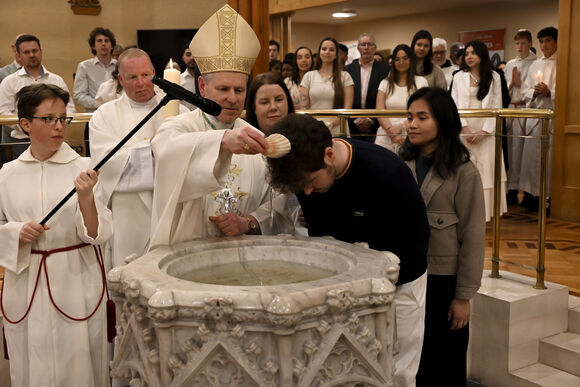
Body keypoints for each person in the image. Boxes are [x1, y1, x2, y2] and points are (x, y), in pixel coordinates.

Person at [266, 113, 429, 387]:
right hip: (347, 290)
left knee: (397, 371)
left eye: (311, 181)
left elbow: (414, 247)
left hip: (400, 286)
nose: (306, 192)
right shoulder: (307, 177)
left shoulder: (386, 172)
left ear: (329, 155)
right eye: (300, 187)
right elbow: (322, 239)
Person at [149, 4, 293, 248]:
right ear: (203, 87)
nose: (233, 98)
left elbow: (279, 203)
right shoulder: (179, 126)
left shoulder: (256, 138)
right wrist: (221, 141)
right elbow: (164, 151)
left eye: (239, 90)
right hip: (188, 252)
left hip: (242, 255)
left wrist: (248, 222)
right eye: (223, 89)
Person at [0, 83, 113, 387]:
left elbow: (96, 234)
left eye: (64, 118)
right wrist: (15, 232)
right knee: (32, 355)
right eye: (49, 119)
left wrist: (87, 197)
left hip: (75, 278)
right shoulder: (6, 174)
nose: (59, 127)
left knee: (78, 359)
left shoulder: (84, 168)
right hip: (26, 281)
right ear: (25, 124)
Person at [399, 87, 485, 386]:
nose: (412, 124)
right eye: (409, 117)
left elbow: (473, 237)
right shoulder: (401, 164)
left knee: (445, 359)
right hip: (408, 275)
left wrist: (463, 297)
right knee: (412, 357)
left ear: (443, 121)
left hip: (443, 280)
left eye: (422, 117)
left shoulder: (464, 172)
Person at [451, 40, 507, 222]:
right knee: (464, 173)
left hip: (486, 133)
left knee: (486, 173)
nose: (469, 56)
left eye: (473, 53)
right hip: (464, 131)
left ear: (482, 55)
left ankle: (484, 215)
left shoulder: (494, 77)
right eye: (466, 53)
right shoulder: (458, 76)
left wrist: (484, 132)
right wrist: (465, 128)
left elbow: (497, 107)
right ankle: (464, 213)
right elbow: (454, 104)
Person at [0, 34, 76, 158]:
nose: (31, 55)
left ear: (41, 52)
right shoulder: (9, 82)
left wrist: (53, 125)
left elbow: (70, 109)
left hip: (54, 137)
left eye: (35, 51)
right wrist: (31, 127)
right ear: (19, 56)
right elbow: (4, 113)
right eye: (26, 52)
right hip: (22, 141)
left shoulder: (56, 80)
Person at [520, 27, 558, 213]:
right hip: (535, 117)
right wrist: (533, 92)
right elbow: (524, 91)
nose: (544, 46)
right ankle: (533, 196)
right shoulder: (535, 64)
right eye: (541, 41)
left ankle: (552, 197)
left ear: (557, 42)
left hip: (552, 117)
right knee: (532, 159)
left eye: (548, 41)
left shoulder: (563, 62)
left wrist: (550, 92)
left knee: (550, 159)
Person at [503, 29, 537, 205]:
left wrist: (520, 84)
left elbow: (533, 89)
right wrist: (511, 84)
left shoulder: (536, 62)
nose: (520, 47)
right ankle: (512, 189)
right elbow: (505, 89)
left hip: (526, 109)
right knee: (511, 151)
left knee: (526, 152)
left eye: (523, 43)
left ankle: (529, 192)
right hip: (512, 109)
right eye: (517, 43)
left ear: (530, 43)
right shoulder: (510, 64)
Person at [375, 44, 428, 153]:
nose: (401, 62)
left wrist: (400, 127)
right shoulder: (385, 83)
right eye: (397, 59)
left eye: (405, 58)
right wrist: (391, 131)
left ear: (411, 60)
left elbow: (423, 110)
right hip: (386, 131)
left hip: (412, 129)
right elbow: (379, 110)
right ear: (393, 62)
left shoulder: (421, 82)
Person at [300, 37, 354, 136]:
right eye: (324, 49)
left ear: (336, 54)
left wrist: (330, 124)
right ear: (319, 52)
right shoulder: (309, 76)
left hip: (338, 129)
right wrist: (316, 125)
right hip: (313, 129)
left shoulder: (345, 76)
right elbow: (304, 107)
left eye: (331, 50)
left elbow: (347, 109)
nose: (327, 52)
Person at [344, 33, 390, 143]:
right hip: (352, 124)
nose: (366, 48)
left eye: (370, 44)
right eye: (363, 44)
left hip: (376, 125)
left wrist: (371, 120)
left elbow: (386, 99)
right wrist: (355, 120)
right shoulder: (347, 70)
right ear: (358, 48)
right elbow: (344, 99)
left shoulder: (386, 70)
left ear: (375, 48)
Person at [73, 27, 117, 113]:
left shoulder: (120, 66)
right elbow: (78, 95)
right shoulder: (84, 66)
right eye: (99, 41)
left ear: (112, 46)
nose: (103, 44)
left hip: (116, 113)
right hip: (94, 115)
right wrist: (98, 104)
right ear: (93, 46)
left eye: (107, 41)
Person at [180, 43, 201, 111]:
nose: (192, 57)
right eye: (188, 55)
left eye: (195, 54)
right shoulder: (178, 80)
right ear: (183, 58)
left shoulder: (208, 80)